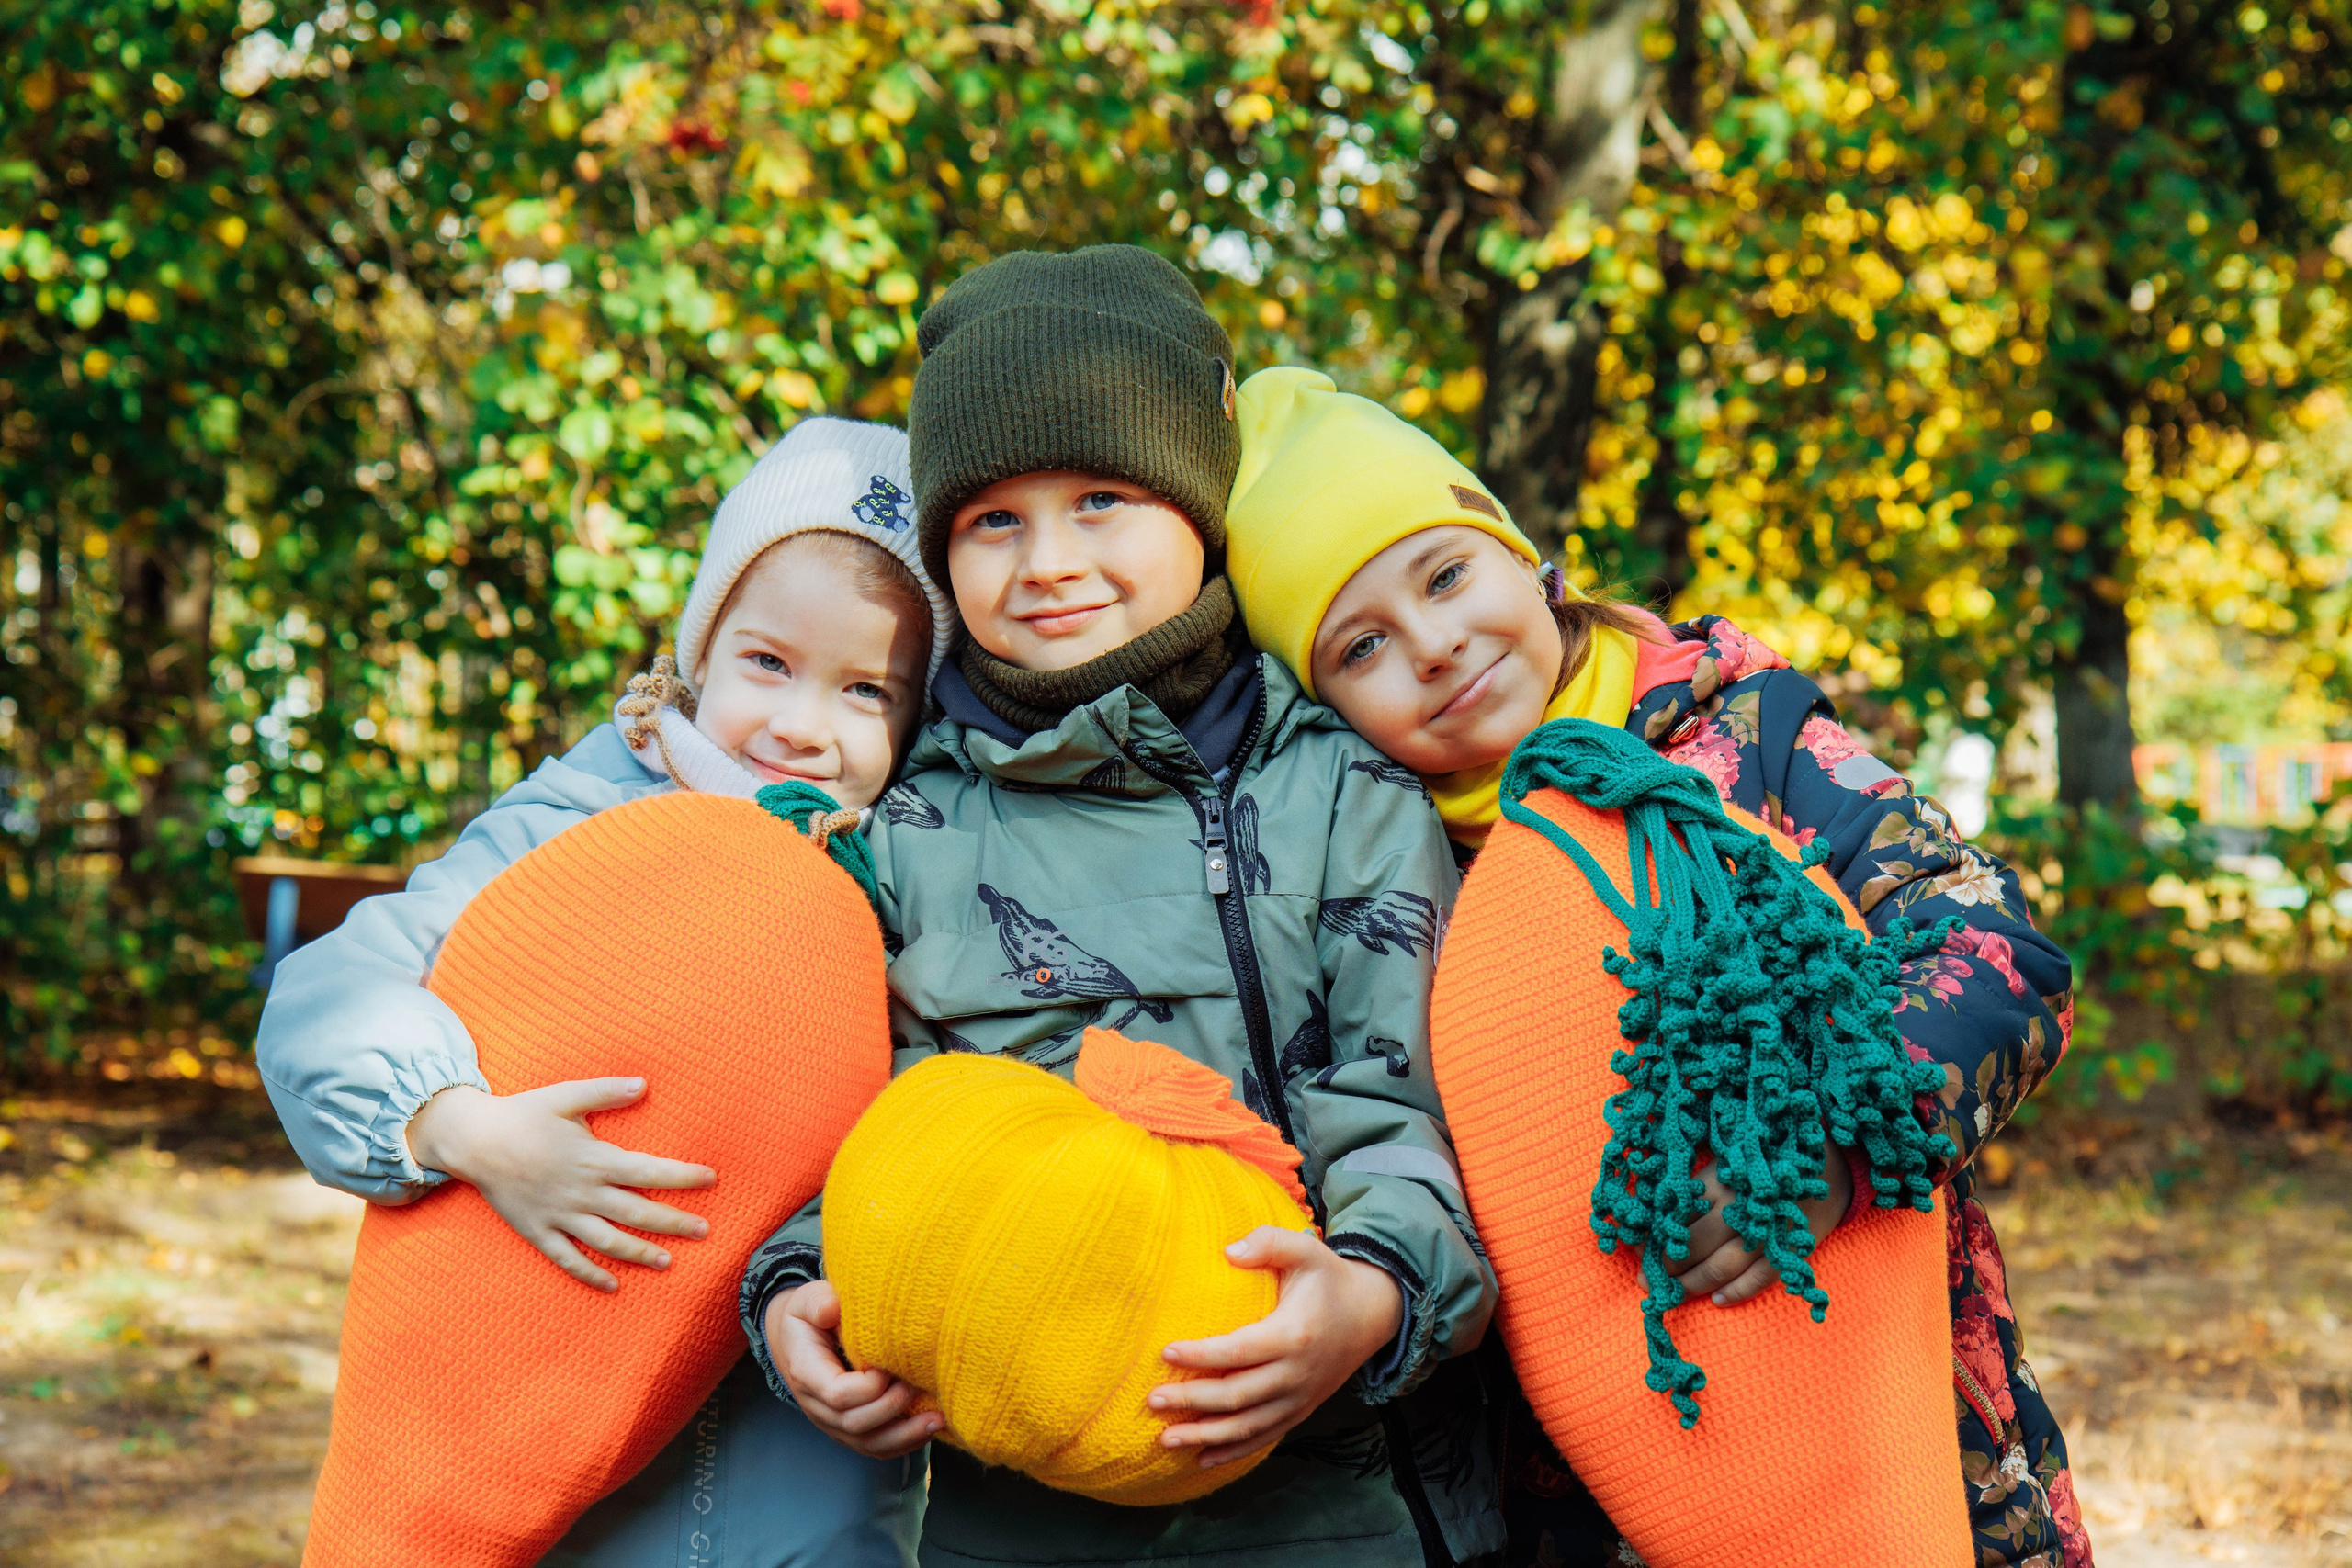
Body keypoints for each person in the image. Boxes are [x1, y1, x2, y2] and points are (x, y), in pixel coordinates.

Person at [1221, 367, 2095, 1568]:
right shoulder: (1386, 877)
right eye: (1361, 644)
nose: (1433, 644)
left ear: (1519, 554)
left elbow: (1992, 947)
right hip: (1595, 1482)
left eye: (1446, 575)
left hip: (1903, 1419)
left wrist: (1840, 1137)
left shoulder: (1739, 735)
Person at [741, 246, 1506, 1567]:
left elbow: (1415, 1103)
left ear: (1196, 502)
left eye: (1102, 498)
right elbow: (835, 1128)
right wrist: (797, 1290)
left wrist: (1372, 1296)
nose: (1049, 561)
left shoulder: (1340, 784)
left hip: (1328, 1496)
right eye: (993, 521)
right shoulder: (898, 827)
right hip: (1007, 1512)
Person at [255, 417, 949, 1568]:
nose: (801, 726)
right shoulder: (576, 819)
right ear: (702, 649)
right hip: (553, 1443)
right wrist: (464, 1128)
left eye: (865, 690)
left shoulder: (915, 884)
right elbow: (329, 992)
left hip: (809, 1461)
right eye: (768, 664)